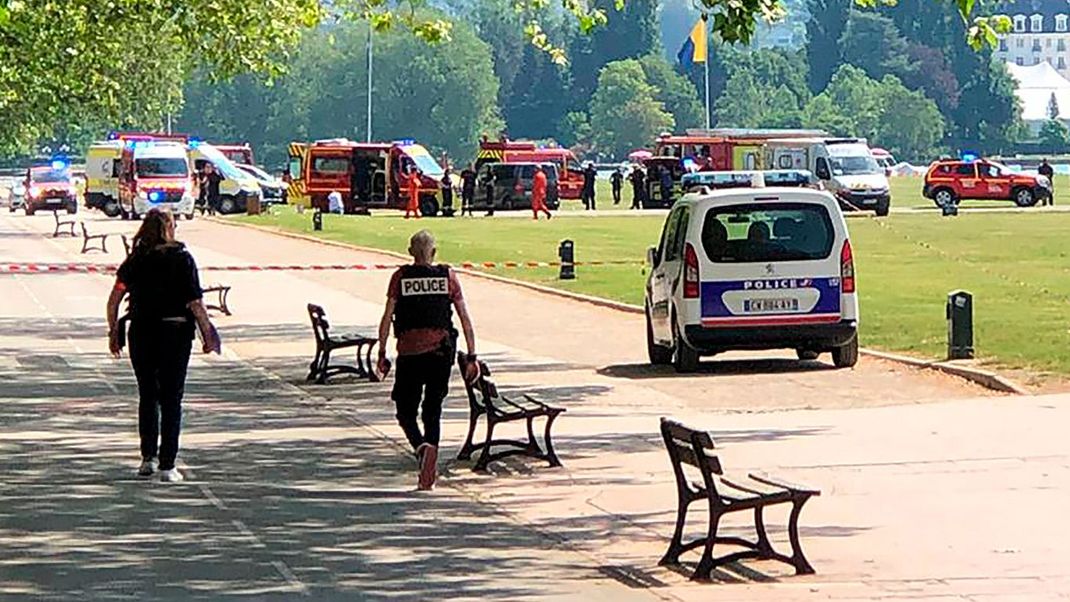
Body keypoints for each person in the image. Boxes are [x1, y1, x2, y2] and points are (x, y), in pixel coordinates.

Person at [106, 209, 220, 483]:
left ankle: (148, 458)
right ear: (170, 228)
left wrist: (113, 330)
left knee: (148, 394)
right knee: (171, 397)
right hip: (175, 331)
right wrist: (208, 333)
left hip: (142, 331)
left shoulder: (136, 259)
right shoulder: (182, 259)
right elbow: (195, 301)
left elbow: (115, 298)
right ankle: (168, 464)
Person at [376, 230, 479, 491]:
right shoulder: (448, 277)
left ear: (411, 252)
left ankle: (422, 450)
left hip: (410, 354)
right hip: (440, 355)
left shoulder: (400, 278)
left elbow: (387, 317)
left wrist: (381, 352)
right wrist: (472, 355)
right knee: (433, 409)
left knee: (405, 410)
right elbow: (465, 318)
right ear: (434, 252)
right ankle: (429, 454)